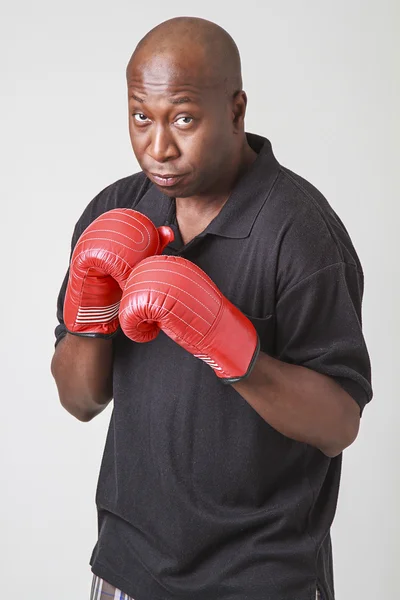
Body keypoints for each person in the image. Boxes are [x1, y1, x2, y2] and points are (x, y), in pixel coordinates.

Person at [51, 16, 372, 600]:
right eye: (140, 117)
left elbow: (339, 424)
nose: (159, 147)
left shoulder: (300, 232)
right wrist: (91, 315)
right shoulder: (117, 211)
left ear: (236, 110)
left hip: (261, 578)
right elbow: (80, 400)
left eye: (183, 119)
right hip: (128, 569)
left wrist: (228, 342)